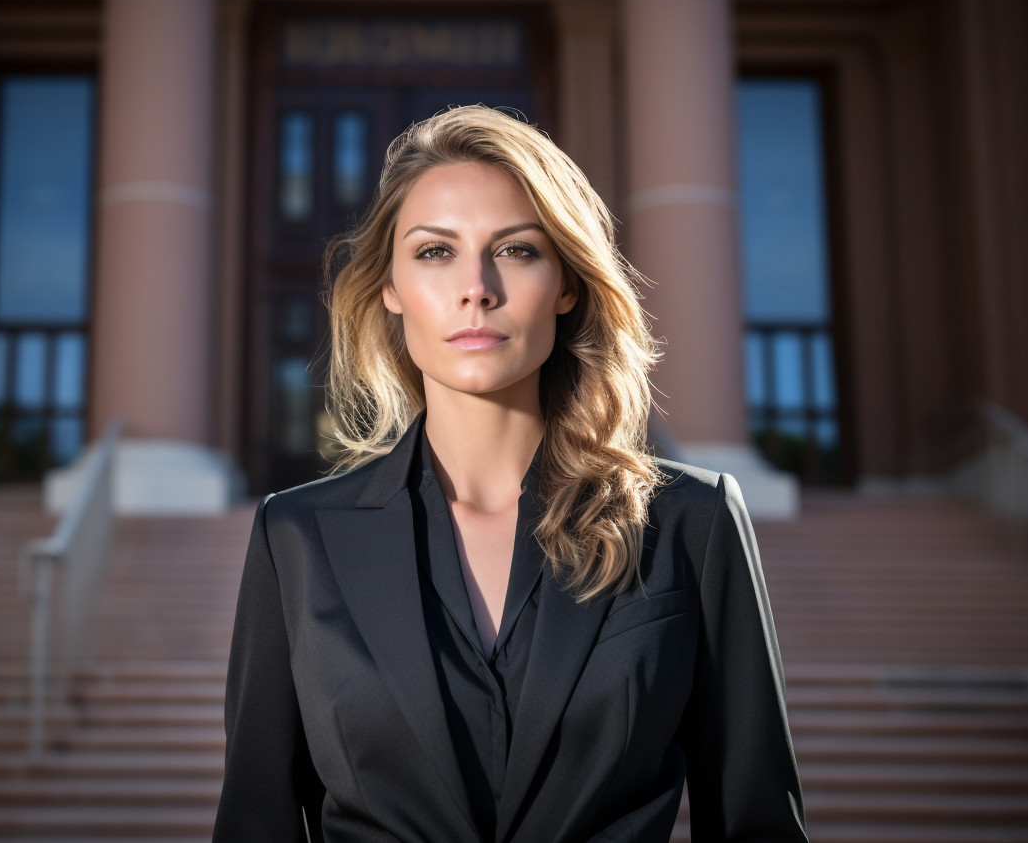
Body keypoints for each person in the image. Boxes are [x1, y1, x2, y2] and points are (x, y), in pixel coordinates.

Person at [213, 105, 808, 842]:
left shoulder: (693, 521)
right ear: (390, 286)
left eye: (517, 250)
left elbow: (758, 824)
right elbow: (256, 823)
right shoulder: (295, 537)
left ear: (567, 284)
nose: (477, 288)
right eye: (435, 252)